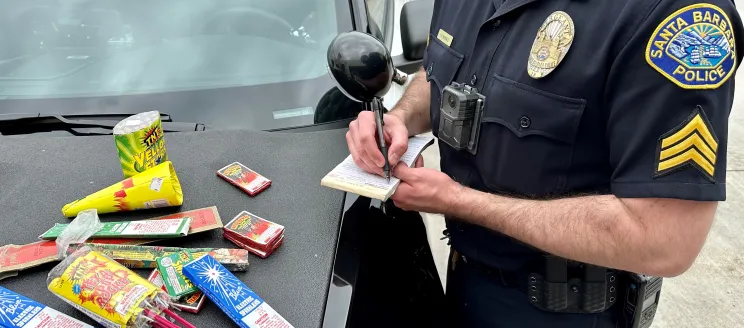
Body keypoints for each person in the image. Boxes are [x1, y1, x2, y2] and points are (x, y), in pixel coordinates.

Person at [345, 0, 743, 327]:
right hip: (464, 278)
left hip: (563, 310)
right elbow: (437, 73)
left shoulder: (673, 15)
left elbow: (663, 239)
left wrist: (458, 202)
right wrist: (399, 117)